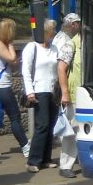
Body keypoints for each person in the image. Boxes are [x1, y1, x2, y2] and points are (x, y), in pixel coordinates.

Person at [22, 19, 59, 173]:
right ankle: (33, 160)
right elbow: (25, 70)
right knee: (42, 125)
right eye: (52, 30)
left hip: (52, 90)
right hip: (39, 89)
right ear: (45, 32)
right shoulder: (32, 47)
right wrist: (30, 91)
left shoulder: (54, 48)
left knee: (51, 125)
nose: (54, 33)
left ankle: (45, 159)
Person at [0, 18, 29, 158]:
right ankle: (25, 146)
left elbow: (9, 62)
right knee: (15, 117)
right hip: (1, 87)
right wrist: (12, 45)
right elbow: (12, 58)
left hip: (0, 86)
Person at [56, 14, 82, 178]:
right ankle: (65, 165)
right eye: (79, 23)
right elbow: (61, 69)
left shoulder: (89, 43)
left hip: (89, 94)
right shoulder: (70, 45)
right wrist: (65, 93)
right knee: (71, 133)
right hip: (74, 95)